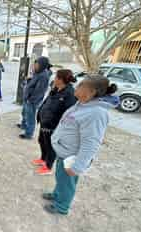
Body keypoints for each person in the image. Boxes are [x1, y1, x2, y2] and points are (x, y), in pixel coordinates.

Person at [43, 75, 119, 215]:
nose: (76, 88)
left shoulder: (96, 113)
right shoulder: (82, 104)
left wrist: (78, 165)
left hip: (71, 157)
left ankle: (62, 207)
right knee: (62, 179)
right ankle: (57, 195)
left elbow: (91, 143)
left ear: (92, 92)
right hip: (64, 152)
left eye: (80, 86)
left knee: (67, 182)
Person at [33, 69, 77, 175]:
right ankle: (43, 159)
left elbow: (69, 113)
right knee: (41, 141)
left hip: (54, 126)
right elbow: (46, 102)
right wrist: (40, 115)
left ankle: (48, 166)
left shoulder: (70, 93)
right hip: (45, 122)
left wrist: (61, 127)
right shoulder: (55, 88)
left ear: (62, 79)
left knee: (50, 146)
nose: (54, 79)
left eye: (56, 77)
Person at [18, 56, 52, 139]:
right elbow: (33, 83)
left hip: (32, 101)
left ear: (42, 65)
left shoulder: (43, 76)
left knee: (30, 117)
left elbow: (39, 91)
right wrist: (29, 80)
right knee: (25, 113)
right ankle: (23, 125)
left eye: (37, 64)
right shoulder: (37, 73)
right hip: (27, 98)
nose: (35, 66)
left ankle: (28, 134)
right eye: (35, 64)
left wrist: (31, 100)